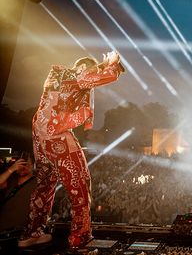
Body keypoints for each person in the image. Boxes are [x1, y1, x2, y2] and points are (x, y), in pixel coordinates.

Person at [18, 52, 124, 250]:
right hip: (56, 136)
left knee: (45, 186)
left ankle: (31, 233)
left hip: (40, 137)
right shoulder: (76, 76)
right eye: (90, 70)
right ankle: (80, 238)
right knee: (80, 185)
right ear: (83, 68)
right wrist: (112, 64)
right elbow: (103, 77)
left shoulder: (58, 77)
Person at [0, 156, 36, 231]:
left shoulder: (37, 183)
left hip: (21, 233)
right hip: (3, 230)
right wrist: (11, 170)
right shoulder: (11, 181)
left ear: (32, 165)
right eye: (20, 164)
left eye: (26, 163)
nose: (22, 167)